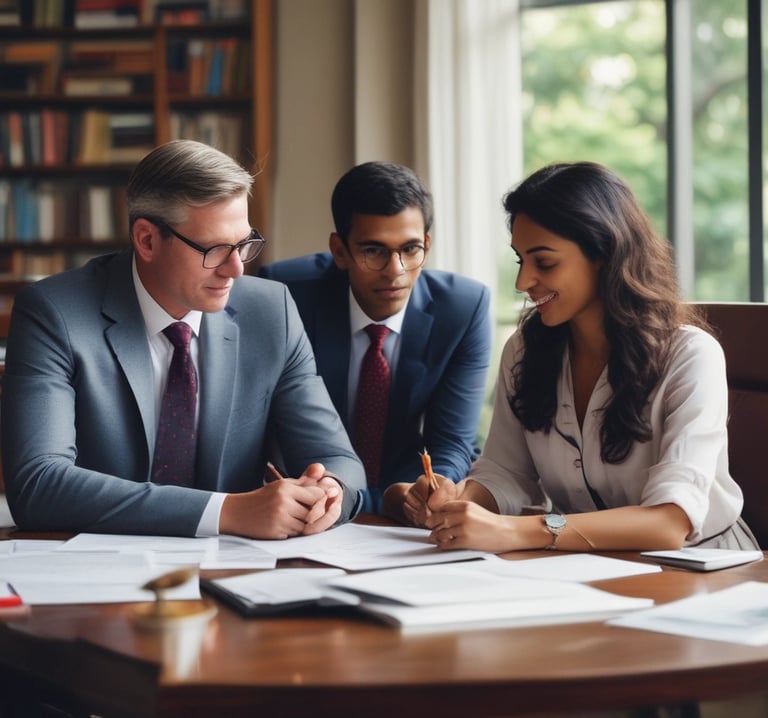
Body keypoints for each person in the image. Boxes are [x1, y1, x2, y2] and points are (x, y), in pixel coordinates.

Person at [1, 140, 366, 538]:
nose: (236, 269)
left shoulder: (270, 311)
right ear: (147, 240)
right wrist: (227, 511)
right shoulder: (54, 313)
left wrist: (329, 491)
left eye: (244, 243)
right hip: (97, 562)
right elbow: (38, 484)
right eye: (215, 249)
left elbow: (337, 459)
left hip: (238, 564)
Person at [403, 161, 759, 553]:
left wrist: (518, 531)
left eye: (544, 262)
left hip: (701, 566)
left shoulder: (690, 356)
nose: (523, 282)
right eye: (521, 260)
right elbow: (506, 472)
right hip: (583, 564)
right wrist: (460, 503)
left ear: (603, 251)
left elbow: (670, 522)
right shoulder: (523, 351)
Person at [259, 161, 492, 515]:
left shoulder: (463, 308)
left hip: (407, 501)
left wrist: (433, 488)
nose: (395, 271)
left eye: (411, 249)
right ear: (340, 251)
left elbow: (453, 440)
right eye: (373, 251)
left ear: (427, 245)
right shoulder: (284, 295)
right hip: (310, 497)